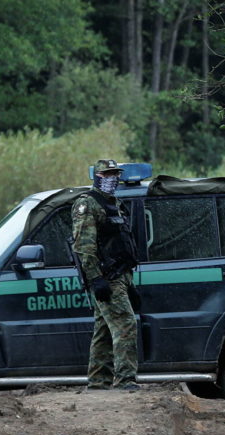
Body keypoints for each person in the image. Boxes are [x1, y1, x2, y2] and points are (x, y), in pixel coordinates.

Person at [71, 159, 141, 390]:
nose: (113, 178)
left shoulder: (115, 204)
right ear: (97, 177)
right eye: (107, 174)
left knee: (103, 330)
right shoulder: (88, 204)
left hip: (120, 274)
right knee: (125, 324)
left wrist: (128, 281)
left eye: (115, 174)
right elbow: (84, 246)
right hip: (106, 277)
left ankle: (98, 382)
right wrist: (96, 279)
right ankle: (125, 380)